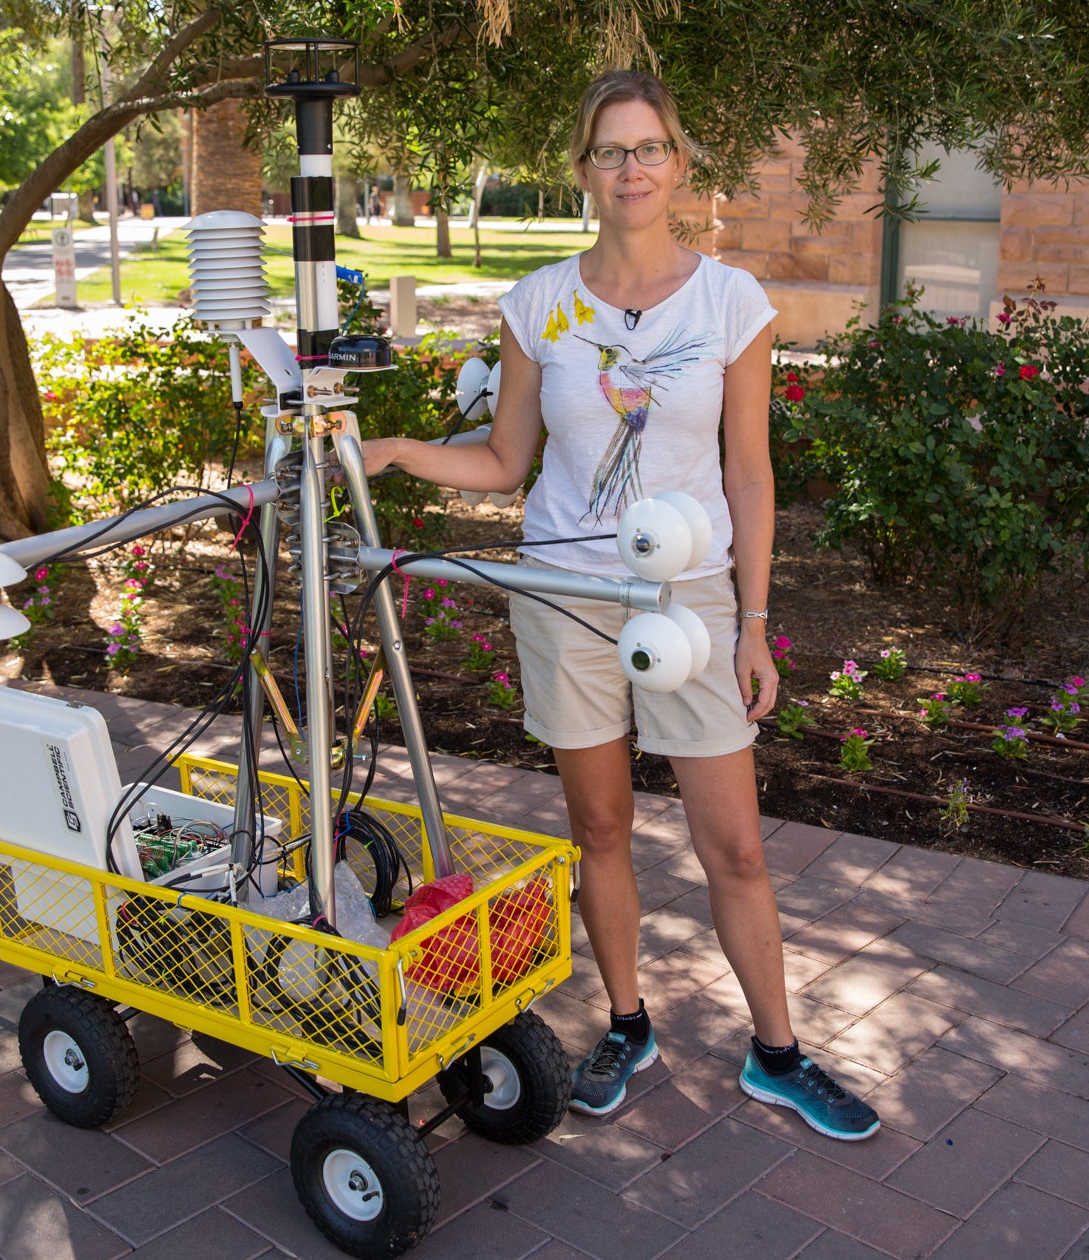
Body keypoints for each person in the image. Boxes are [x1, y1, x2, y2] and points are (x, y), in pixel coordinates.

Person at [359, 70, 879, 1141]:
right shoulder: (539, 302)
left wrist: (751, 620)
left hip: (687, 598)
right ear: (584, 170)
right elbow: (508, 461)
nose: (631, 168)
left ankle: (778, 1052)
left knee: (732, 844)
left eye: (649, 149)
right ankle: (627, 1022)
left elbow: (748, 473)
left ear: (678, 164)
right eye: (611, 151)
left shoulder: (732, 301)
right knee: (599, 826)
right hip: (563, 591)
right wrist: (400, 450)